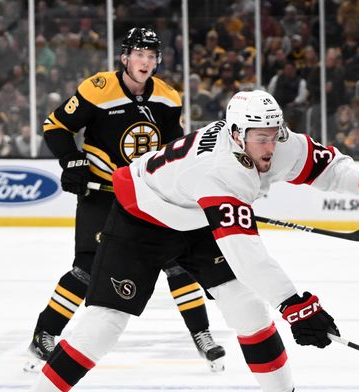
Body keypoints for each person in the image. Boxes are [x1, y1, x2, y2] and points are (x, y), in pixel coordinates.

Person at [0, 90, 359, 392]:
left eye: (274, 135)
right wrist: (297, 306)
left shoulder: (275, 140)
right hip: (140, 218)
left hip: (195, 218)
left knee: (249, 309)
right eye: (260, 139)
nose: (270, 147)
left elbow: (326, 168)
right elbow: (245, 253)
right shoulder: (219, 170)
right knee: (106, 323)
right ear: (237, 135)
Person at [29, 27, 226, 373]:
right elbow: (55, 126)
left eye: (151, 56)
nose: (145, 62)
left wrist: (186, 184)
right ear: (125, 58)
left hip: (146, 196)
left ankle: (202, 334)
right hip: (102, 194)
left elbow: (173, 151)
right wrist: (72, 160)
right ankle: (44, 333)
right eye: (139, 54)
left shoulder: (167, 97)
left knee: (176, 260)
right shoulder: (98, 89)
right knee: (88, 269)